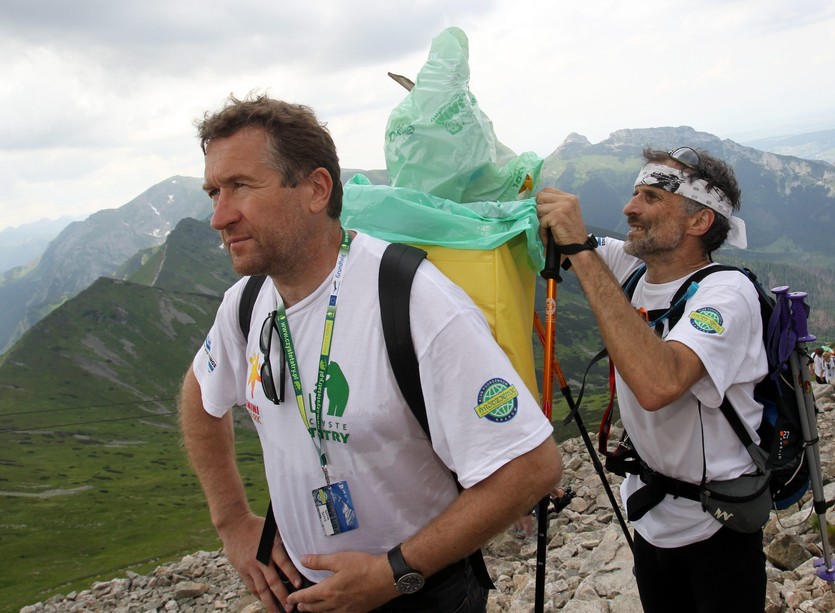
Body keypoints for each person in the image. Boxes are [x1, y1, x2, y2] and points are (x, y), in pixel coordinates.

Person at [179, 93, 562, 613]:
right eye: (213, 192)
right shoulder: (246, 303)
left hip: (418, 592)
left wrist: (393, 573)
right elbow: (199, 393)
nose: (218, 217)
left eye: (241, 187)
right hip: (303, 591)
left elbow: (533, 466)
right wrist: (232, 523)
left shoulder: (414, 299)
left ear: (316, 189)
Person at [535, 146, 767, 612]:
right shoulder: (633, 267)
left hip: (717, 524)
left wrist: (580, 248)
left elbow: (659, 384)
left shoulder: (727, 292)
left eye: (651, 197)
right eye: (634, 193)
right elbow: (547, 226)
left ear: (700, 222)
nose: (629, 208)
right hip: (650, 512)